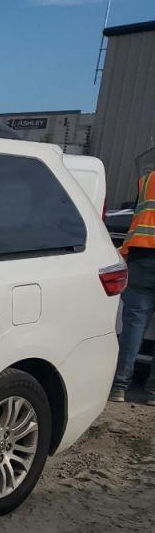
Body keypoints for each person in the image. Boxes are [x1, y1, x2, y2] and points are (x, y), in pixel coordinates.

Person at [111, 165, 155, 403]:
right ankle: (153, 393)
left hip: (142, 257)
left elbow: (137, 214)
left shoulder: (148, 180)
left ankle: (119, 386)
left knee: (134, 326)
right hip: (142, 256)